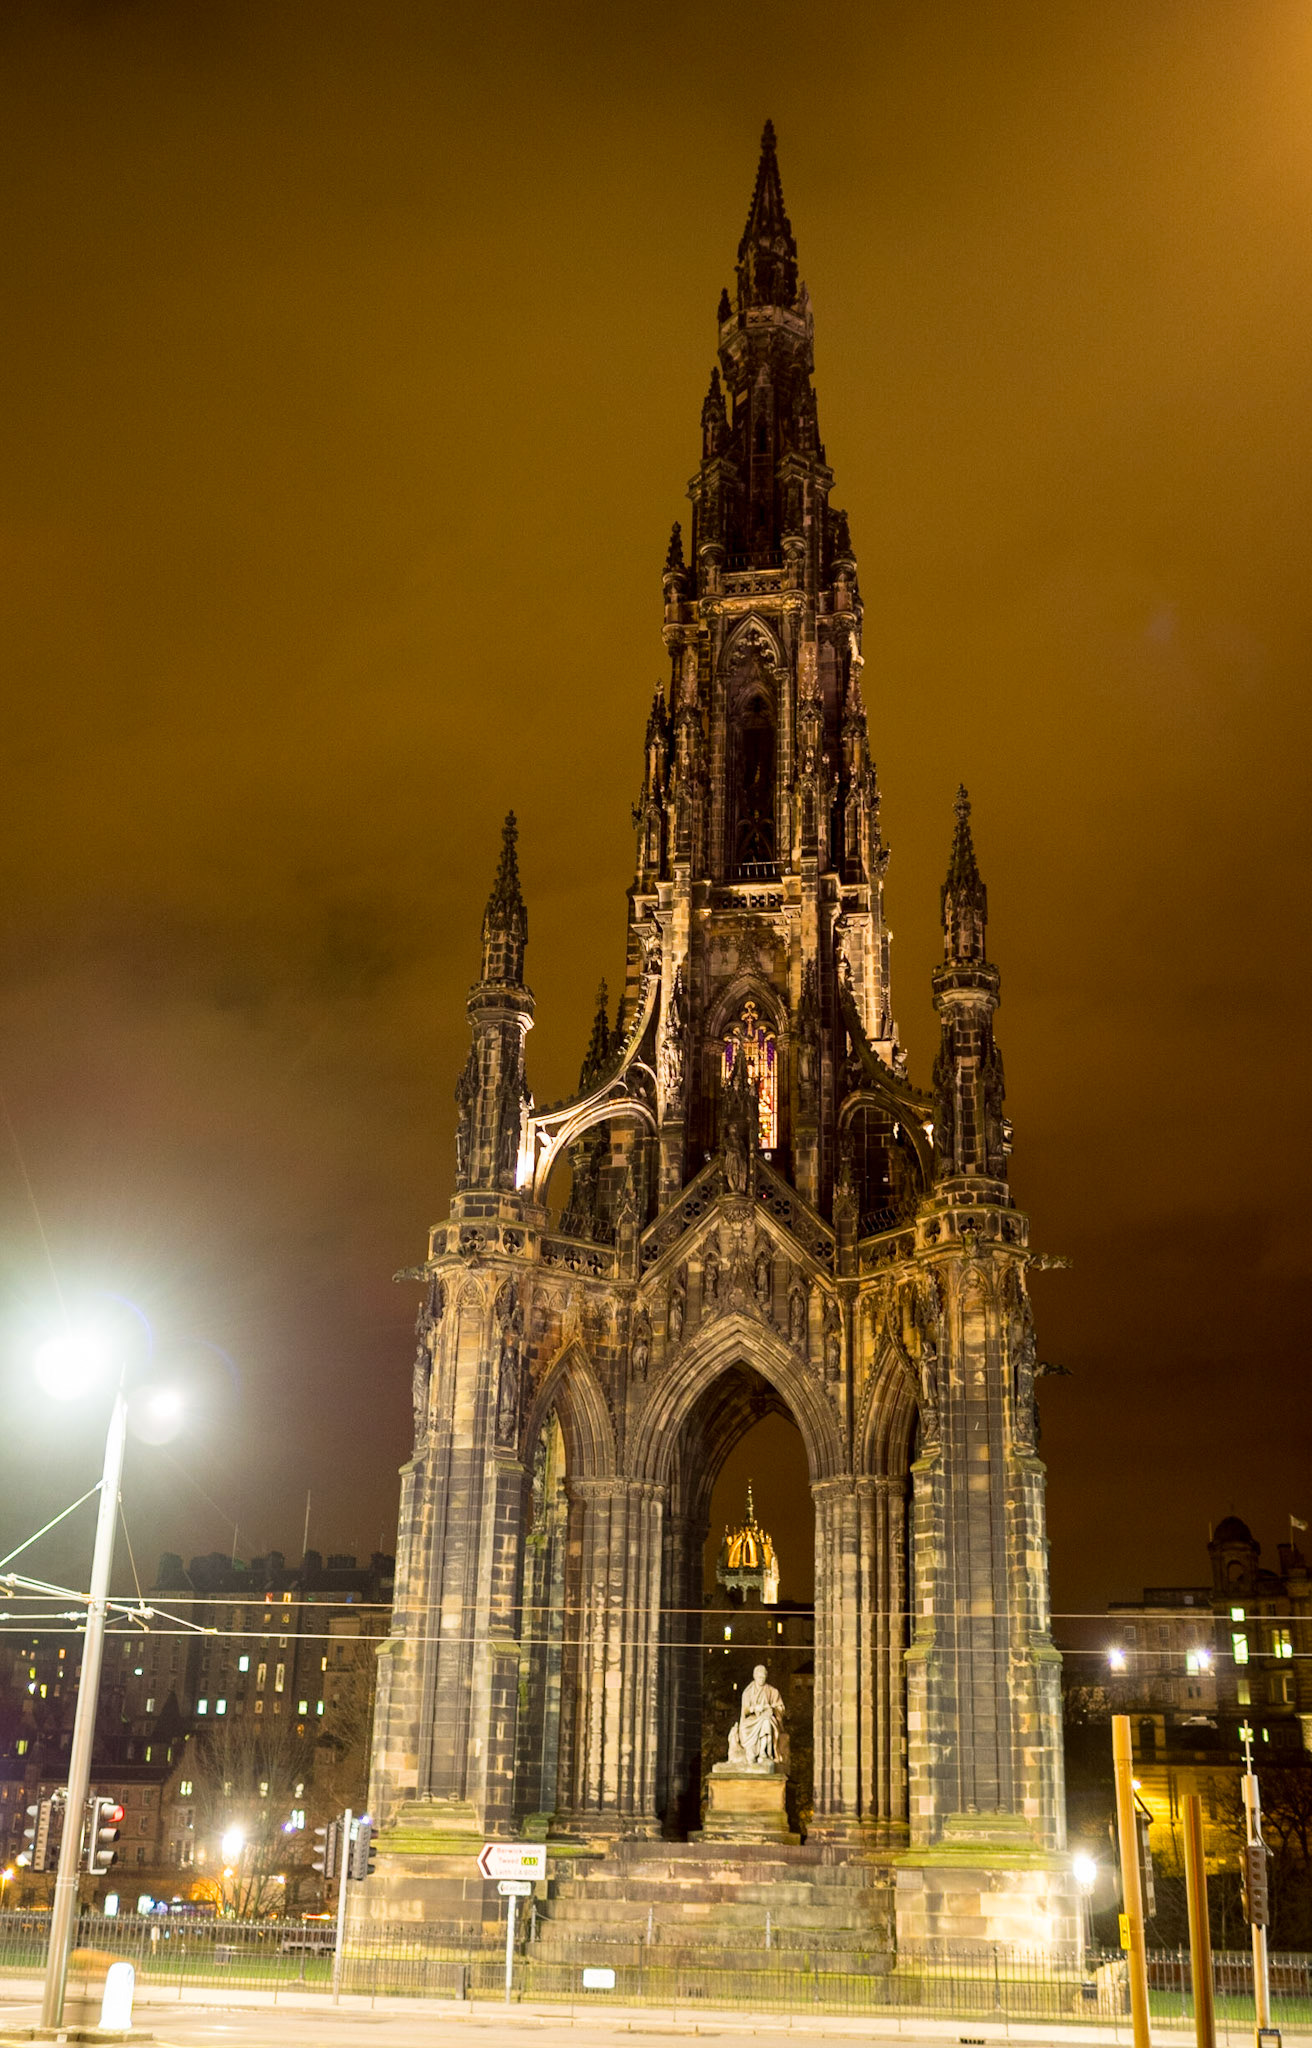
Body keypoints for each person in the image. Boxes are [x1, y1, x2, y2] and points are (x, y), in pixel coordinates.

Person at [735, 1664, 785, 1765]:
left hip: (767, 1718)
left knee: (766, 1722)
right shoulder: (748, 1692)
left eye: (763, 1677)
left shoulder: (772, 1691)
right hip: (751, 1720)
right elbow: (745, 1710)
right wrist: (754, 1708)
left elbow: (780, 1707)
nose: (761, 1679)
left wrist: (772, 1708)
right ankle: (752, 1753)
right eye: (759, 1677)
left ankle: (763, 1752)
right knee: (748, 1729)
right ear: (755, 1676)